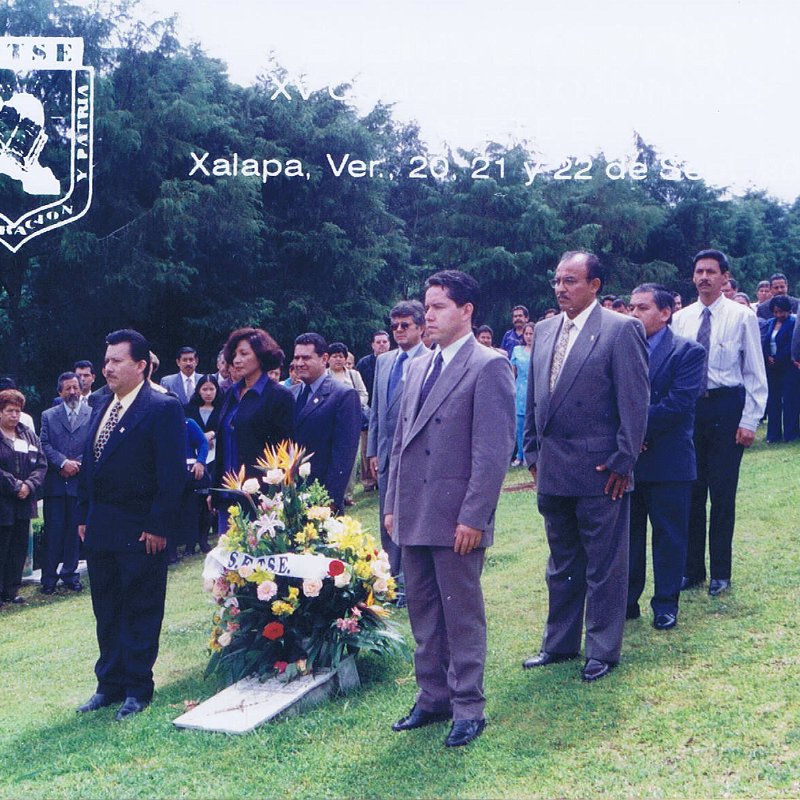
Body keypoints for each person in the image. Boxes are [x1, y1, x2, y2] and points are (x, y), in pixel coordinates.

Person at [385, 270, 515, 748]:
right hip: (413, 511)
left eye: (439, 306)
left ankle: (468, 706)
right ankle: (433, 697)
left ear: (467, 311)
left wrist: (474, 517)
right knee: (422, 611)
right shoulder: (419, 365)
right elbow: (400, 442)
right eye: (427, 306)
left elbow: (493, 453)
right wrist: (392, 504)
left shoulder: (489, 365)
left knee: (461, 615)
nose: (429, 315)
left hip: (457, 515)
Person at [521, 250, 648, 682]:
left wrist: (622, 461)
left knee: (604, 566)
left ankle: (602, 650)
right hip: (553, 470)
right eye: (557, 280)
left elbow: (635, 402)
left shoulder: (621, 329)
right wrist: (531, 452)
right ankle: (558, 645)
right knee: (561, 564)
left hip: (601, 473)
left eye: (570, 281)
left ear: (594, 285)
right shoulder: (544, 330)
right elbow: (535, 397)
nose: (560, 288)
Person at [76, 329, 186, 720]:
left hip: (141, 530)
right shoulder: (100, 403)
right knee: (106, 609)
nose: (108, 367)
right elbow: (90, 463)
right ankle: (109, 684)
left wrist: (158, 525)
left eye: (116, 361)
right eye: (106, 360)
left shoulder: (162, 407)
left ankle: (137, 688)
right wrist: (84, 515)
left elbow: (172, 474)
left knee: (141, 608)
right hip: (101, 527)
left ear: (140, 365)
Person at [672, 250, 767, 596]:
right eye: (699, 271)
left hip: (727, 408)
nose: (704, 277)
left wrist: (749, 420)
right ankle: (692, 569)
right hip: (691, 412)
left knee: (722, 494)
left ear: (725, 277)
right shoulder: (681, 319)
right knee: (691, 493)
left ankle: (721, 572)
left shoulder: (742, 317)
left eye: (711, 272)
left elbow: (754, 372)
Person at [627, 284, 705, 630]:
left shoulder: (688, 351)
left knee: (669, 536)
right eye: (631, 307)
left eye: (642, 308)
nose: (634, 314)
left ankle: (666, 603)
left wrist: (636, 432)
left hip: (668, 459)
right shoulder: (622, 348)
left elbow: (678, 404)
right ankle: (627, 601)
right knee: (628, 537)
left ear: (665, 312)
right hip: (628, 461)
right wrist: (629, 439)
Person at [366, 300, 427, 600]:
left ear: (421, 327)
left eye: (405, 325)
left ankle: (408, 585)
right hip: (386, 454)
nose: (399, 331)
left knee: (411, 518)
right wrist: (373, 450)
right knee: (386, 519)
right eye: (394, 326)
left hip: (416, 455)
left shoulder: (431, 361)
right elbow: (377, 410)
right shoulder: (384, 361)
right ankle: (388, 584)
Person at [291, 333, 361, 514]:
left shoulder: (343, 395)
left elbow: (344, 454)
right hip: (291, 496)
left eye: (306, 358)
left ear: (324, 359)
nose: (299, 363)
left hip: (322, 499)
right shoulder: (291, 394)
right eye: (296, 358)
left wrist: (330, 500)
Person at [39, 372, 91, 594]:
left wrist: (77, 464)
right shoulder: (48, 416)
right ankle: (48, 578)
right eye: (67, 388)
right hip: (56, 483)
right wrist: (62, 462)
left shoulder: (91, 413)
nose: (72, 392)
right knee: (53, 532)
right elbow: (44, 443)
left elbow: (93, 444)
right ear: (60, 392)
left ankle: (70, 574)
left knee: (73, 532)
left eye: (75, 387)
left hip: (79, 482)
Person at [0, 388, 47, 606]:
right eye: (9, 411)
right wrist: (16, 485)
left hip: (24, 502)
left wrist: (29, 485)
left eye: (17, 411)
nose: (14, 415)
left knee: (18, 548)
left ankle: (11, 591)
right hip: (3, 501)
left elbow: (41, 464)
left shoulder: (28, 434)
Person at [327, 342, 369, 506]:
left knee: (350, 458)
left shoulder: (353, 375)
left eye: (341, 356)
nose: (338, 359)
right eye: (334, 356)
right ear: (328, 359)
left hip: (350, 422)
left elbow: (364, 394)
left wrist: (354, 406)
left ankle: (347, 495)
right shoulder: (324, 375)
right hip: (330, 422)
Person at [185, 375, 222, 552]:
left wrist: (213, 434)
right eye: (204, 389)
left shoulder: (222, 409)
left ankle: (205, 537)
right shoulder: (190, 410)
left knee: (209, 498)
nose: (208, 393)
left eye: (211, 389)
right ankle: (191, 540)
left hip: (216, 456)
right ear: (198, 391)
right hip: (195, 459)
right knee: (193, 501)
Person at [355, 330, 390, 493]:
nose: (382, 345)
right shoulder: (364, 363)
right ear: (372, 345)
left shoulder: (395, 360)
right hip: (368, 411)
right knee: (367, 447)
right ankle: (368, 481)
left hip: (388, 410)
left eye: (384, 342)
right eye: (378, 342)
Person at [761, 295, 799, 443]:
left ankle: (791, 434)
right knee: (773, 401)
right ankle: (773, 435)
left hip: (788, 367)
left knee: (790, 401)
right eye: (776, 312)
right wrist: (768, 357)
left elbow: (792, 344)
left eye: (781, 312)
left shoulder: (793, 323)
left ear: (788, 310)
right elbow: (765, 342)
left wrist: (777, 358)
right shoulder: (770, 323)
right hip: (772, 369)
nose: (778, 315)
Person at [510, 322, 534, 467]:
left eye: (531, 333)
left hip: (534, 390)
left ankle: (531, 455)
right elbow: (512, 373)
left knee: (532, 425)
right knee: (520, 426)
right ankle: (520, 454)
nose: (529, 336)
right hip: (519, 390)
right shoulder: (517, 350)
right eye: (526, 334)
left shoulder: (539, 350)